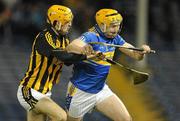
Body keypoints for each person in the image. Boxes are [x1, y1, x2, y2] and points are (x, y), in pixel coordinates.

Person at [65, 8, 152, 121]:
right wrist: (83, 48)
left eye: (117, 26)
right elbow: (70, 47)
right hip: (80, 91)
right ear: (102, 25)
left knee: (126, 119)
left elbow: (135, 55)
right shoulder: (91, 36)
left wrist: (142, 52)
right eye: (112, 26)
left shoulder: (115, 38)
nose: (116, 30)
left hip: (101, 90)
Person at [17, 5, 94, 121]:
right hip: (30, 90)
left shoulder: (64, 39)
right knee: (61, 117)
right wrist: (85, 56)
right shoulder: (45, 37)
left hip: (45, 93)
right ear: (56, 22)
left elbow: (68, 61)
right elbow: (65, 58)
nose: (70, 25)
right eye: (66, 22)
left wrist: (89, 53)